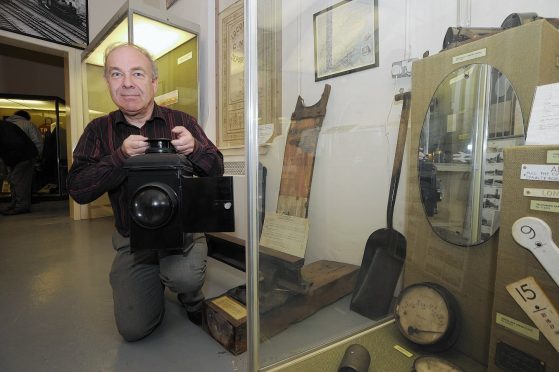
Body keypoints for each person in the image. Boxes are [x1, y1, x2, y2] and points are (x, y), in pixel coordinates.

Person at [67, 43, 224, 341]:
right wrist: (118, 158)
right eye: (117, 73)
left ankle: (190, 296)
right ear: (108, 82)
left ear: (153, 82)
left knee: (183, 276)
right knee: (134, 329)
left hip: (181, 234)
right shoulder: (98, 131)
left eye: (137, 73)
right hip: (133, 239)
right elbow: (79, 189)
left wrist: (196, 149)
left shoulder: (183, 122)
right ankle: (153, 280)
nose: (127, 82)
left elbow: (216, 171)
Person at [1, 110, 43, 215]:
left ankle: (21, 206)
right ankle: (16, 204)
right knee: (15, 180)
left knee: (17, 180)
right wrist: (38, 157)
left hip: (22, 155)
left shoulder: (6, 123)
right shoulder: (8, 125)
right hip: (24, 154)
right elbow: (37, 141)